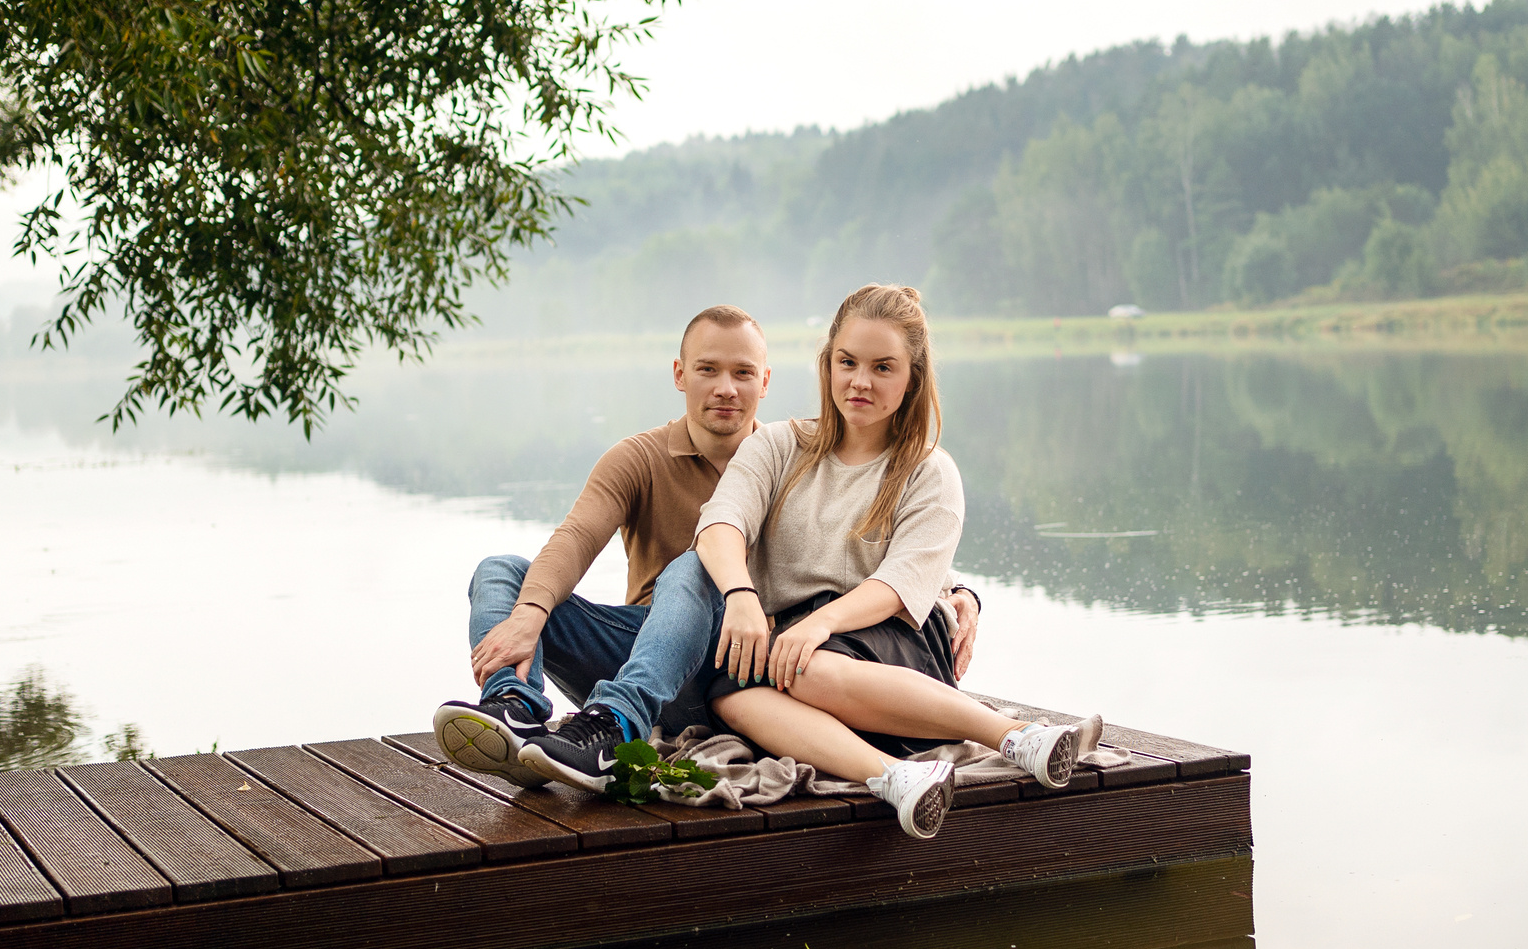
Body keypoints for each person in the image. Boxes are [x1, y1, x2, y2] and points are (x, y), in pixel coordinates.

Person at [432, 304, 985, 790]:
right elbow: (575, 538)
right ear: (681, 375)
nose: (726, 388)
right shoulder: (639, 458)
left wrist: (956, 590)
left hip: (734, 665)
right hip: (640, 656)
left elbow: (864, 544)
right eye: (708, 370)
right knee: (500, 570)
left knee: (694, 566)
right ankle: (515, 710)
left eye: (743, 373)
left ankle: (615, 724)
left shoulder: (784, 457)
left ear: (764, 381)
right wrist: (532, 612)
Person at [692, 283, 1100, 837]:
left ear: (912, 377)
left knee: (799, 666)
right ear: (827, 363)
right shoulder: (778, 445)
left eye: (883, 367)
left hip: (896, 635)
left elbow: (900, 583)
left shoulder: (929, 471)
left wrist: (821, 623)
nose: (860, 381)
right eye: (847, 362)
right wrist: (740, 594)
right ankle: (893, 777)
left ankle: (1014, 735)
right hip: (804, 650)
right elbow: (720, 523)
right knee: (731, 695)